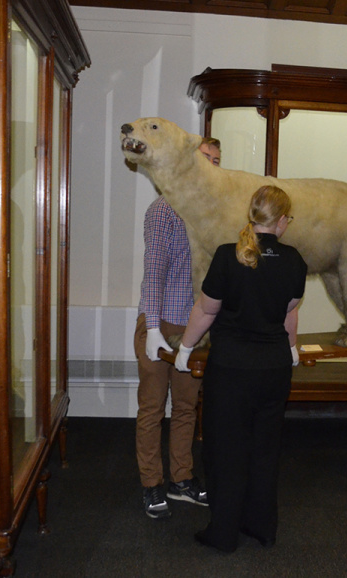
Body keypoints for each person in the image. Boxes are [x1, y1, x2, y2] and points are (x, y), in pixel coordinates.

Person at [175, 185, 307, 552]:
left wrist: (185, 347)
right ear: (281, 221)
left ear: (252, 215)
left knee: (225, 451)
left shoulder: (226, 255)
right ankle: (261, 528)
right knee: (265, 450)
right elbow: (289, 312)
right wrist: (292, 348)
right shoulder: (295, 260)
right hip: (275, 370)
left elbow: (206, 310)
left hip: (232, 370)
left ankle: (223, 534)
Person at [134, 136, 221, 519]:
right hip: (160, 322)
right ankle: (151, 484)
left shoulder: (214, 212)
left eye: (217, 160)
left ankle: (181, 480)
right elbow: (153, 272)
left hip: (194, 328)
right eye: (207, 159)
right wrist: (153, 328)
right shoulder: (165, 210)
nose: (213, 166)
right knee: (152, 409)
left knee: (186, 408)